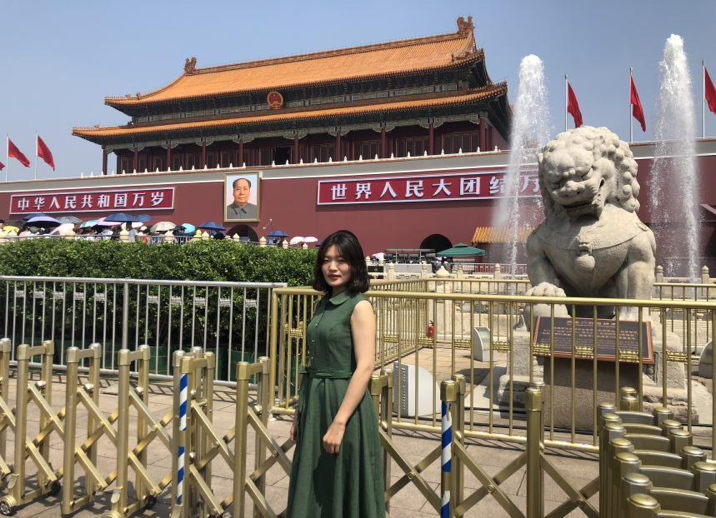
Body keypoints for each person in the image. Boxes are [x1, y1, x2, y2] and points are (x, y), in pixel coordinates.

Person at [287, 230, 384, 518]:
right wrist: (299, 411)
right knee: (314, 480)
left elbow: (365, 367)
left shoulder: (359, 306)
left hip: (344, 404)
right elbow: (313, 361)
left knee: (342, 481)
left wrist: (340, 423)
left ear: (354, 265)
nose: (332, 267)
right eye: (326, 260)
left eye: (341, 260)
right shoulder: (323, 303)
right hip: (315, 402)